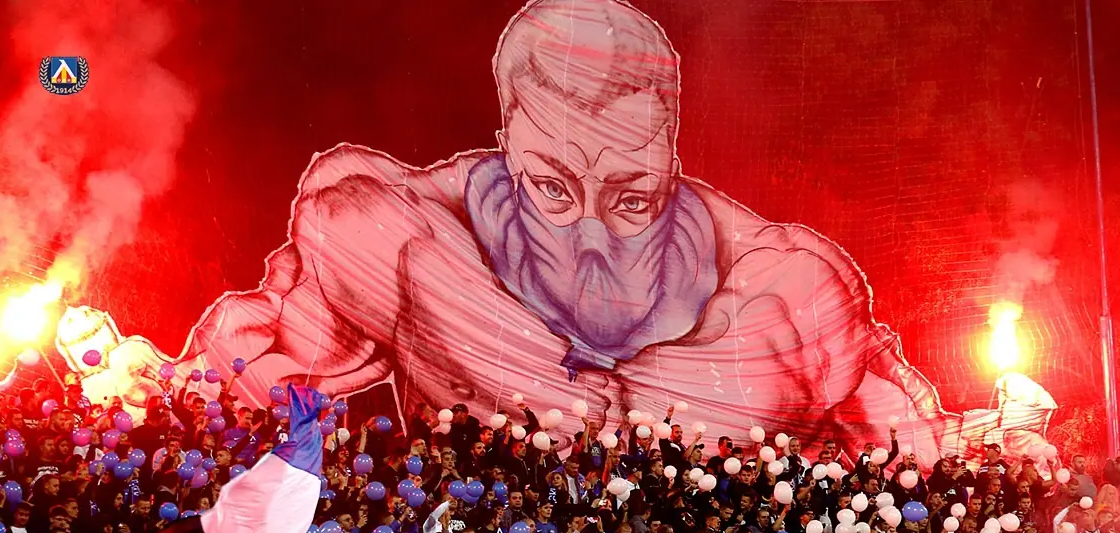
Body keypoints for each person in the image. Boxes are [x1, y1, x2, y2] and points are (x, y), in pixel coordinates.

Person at [56, 0, 1060, 468]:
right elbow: (249, 366)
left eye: (629, 196)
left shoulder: (781, 284)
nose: (587, 237)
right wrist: (131, 379)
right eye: (550, 186)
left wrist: (995, 438)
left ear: (669, 153)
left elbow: (905, 436)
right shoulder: (398, 228)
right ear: (508, 140)